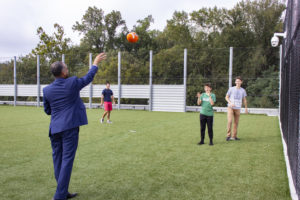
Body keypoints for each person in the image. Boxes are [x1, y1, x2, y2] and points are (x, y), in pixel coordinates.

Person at [43, 53, 106, 200]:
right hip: (69, 128)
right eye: (66, 68)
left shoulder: (46, 90)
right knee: (66, 161)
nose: (68, 69)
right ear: (63, 72)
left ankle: (63, 192)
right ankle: (59, 196)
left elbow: (47, 111)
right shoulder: (71, 82)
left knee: (58, 161)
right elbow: (88, 78)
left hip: (54, 129)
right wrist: (95, 63)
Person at [225, 76, 248, 141]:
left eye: (239, 81)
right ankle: (228, 136)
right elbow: (226, 97)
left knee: (236, 122)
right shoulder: (231, 89)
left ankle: (234, 136)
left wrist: (246, 108)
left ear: (241, 82)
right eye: (236, 81)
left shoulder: (243, 90)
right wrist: (230, 103)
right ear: (235, 82)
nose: (237, 82)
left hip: (238, 108)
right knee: (229, 121)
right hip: (230, 107)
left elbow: (244, 100)